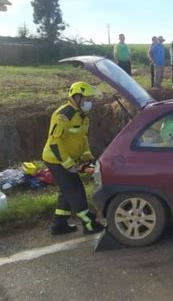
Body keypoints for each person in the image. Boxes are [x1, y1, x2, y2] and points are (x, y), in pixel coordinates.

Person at [42, 82, 104, 235]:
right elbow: (55, 142)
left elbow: (82, 139)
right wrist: (68, 164)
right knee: (75, 190)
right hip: (56, 160)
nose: (90, 102)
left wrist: (87, 156)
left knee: (66, 191)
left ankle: (59, 225)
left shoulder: (82, 116)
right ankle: (89, 224)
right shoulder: (63, 115)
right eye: (87, 98)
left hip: (68, 159)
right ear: (77, 97)